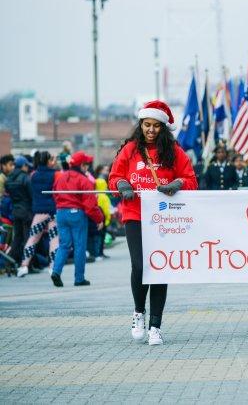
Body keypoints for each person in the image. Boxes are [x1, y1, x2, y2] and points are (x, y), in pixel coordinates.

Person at [109, 100, 197, 346]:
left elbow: (190, 179)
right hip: (135, 214)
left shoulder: (175, 151)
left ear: (163, 127)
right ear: (141, 125)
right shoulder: (129, 150)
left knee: (160, 268)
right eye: (146, 125)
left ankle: (155, 326)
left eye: (156, 126)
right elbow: (114, 176)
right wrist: (123, 185)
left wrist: (176, 185)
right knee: (139, 266)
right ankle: (139, 312)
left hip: (163, 217)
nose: (150, 130)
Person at [51, 151, 104, 287]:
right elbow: (90, 205)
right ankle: (79, 278)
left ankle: (56, 271)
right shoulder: (84, 181)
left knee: (64, 245)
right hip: (77, 214)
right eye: (86, 164)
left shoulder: (60, 178)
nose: (87, 167)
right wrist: (99, 219)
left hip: (61, 213)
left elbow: (55, 195)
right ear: (82, 166)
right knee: (79, 246)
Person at [17, 151, 60, 277]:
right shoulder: (56, 174)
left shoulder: (33, 175)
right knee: (54, 239)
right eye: (52, 159)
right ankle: (52, 267)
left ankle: (24, 266)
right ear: (48, 161)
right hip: (53, 211)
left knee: (32, 238)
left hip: (39, 212)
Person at [5, 156, 34, 271]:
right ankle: (27, 265)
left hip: (16, 211)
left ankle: (9, 263)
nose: (27, 168)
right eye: (26, 166)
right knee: (28, 239)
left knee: (17, 239)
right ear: (23, 166)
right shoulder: (25, 178)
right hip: (26, 212)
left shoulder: (9, 179)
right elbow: (31, 196)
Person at [94, 178, 112, 260]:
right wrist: (108, 219)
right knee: (102, 236)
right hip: (103, 218)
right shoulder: (104, 197)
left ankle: (98, 253)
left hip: (96, 217)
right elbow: (107, 210)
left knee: (98, 236)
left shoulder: (95, 194)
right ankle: (100, 253)